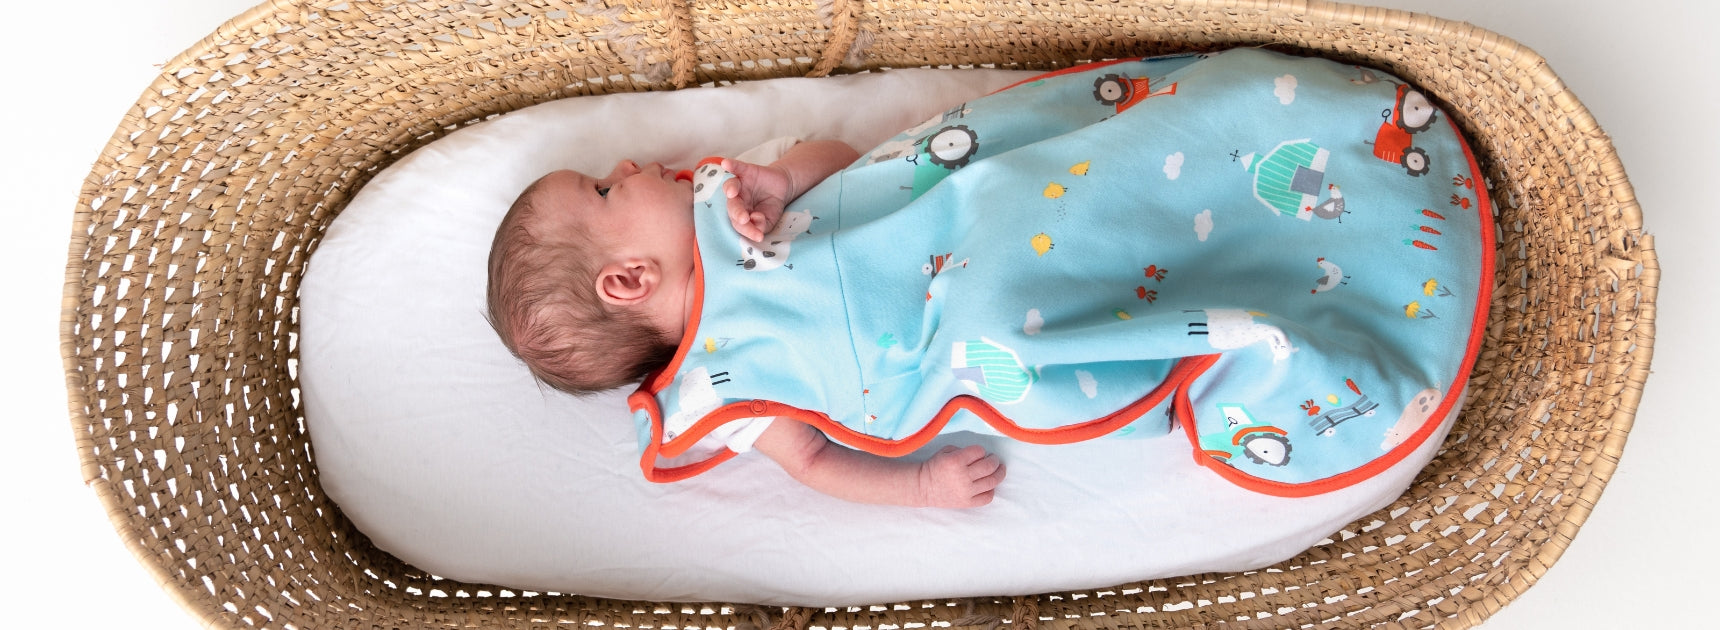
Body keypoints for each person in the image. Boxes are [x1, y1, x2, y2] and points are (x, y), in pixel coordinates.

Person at [487, 140, 1008, 509]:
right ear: (629, 279)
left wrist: (786, 178)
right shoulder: (722, 385)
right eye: (604, 190)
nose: (624, 164)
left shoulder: (737, 198)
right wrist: (922, 487)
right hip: (957, 327)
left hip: (952, 212)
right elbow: (812, 461)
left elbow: (852, 161)